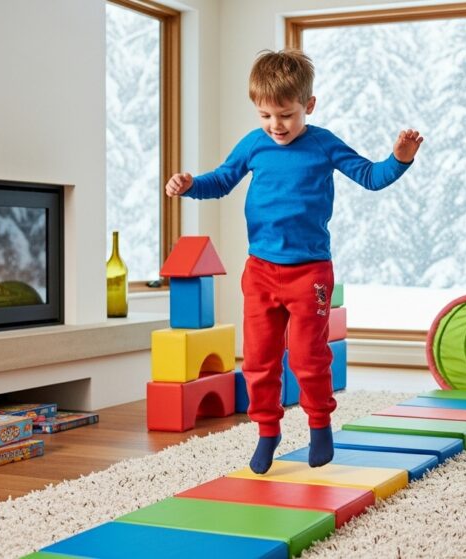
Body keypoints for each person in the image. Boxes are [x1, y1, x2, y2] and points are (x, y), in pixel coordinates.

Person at [164, 49, 423, 474]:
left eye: (285, 115)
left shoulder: (323, 144)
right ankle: (268, 431)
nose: (275, 126)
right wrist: (190, 184)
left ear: (309, 105)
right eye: (265, 115)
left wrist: (400, 158)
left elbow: (370, 177)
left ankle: (320, 425)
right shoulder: (254, 144)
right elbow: (221, 180)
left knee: (308, 356)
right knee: (260, 360)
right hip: (261, 271)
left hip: (310, 273)